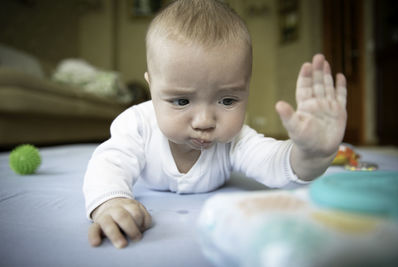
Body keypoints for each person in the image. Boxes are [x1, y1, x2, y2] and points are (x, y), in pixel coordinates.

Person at [83, 0, 347, 249]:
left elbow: (275, 163)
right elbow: (108, 163)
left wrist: (311, 154)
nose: (205, 121)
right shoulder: (137, 125)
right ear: (152, 87)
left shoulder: (236, 140)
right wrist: (110, 201)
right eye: (182, 101)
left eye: (228, 100)